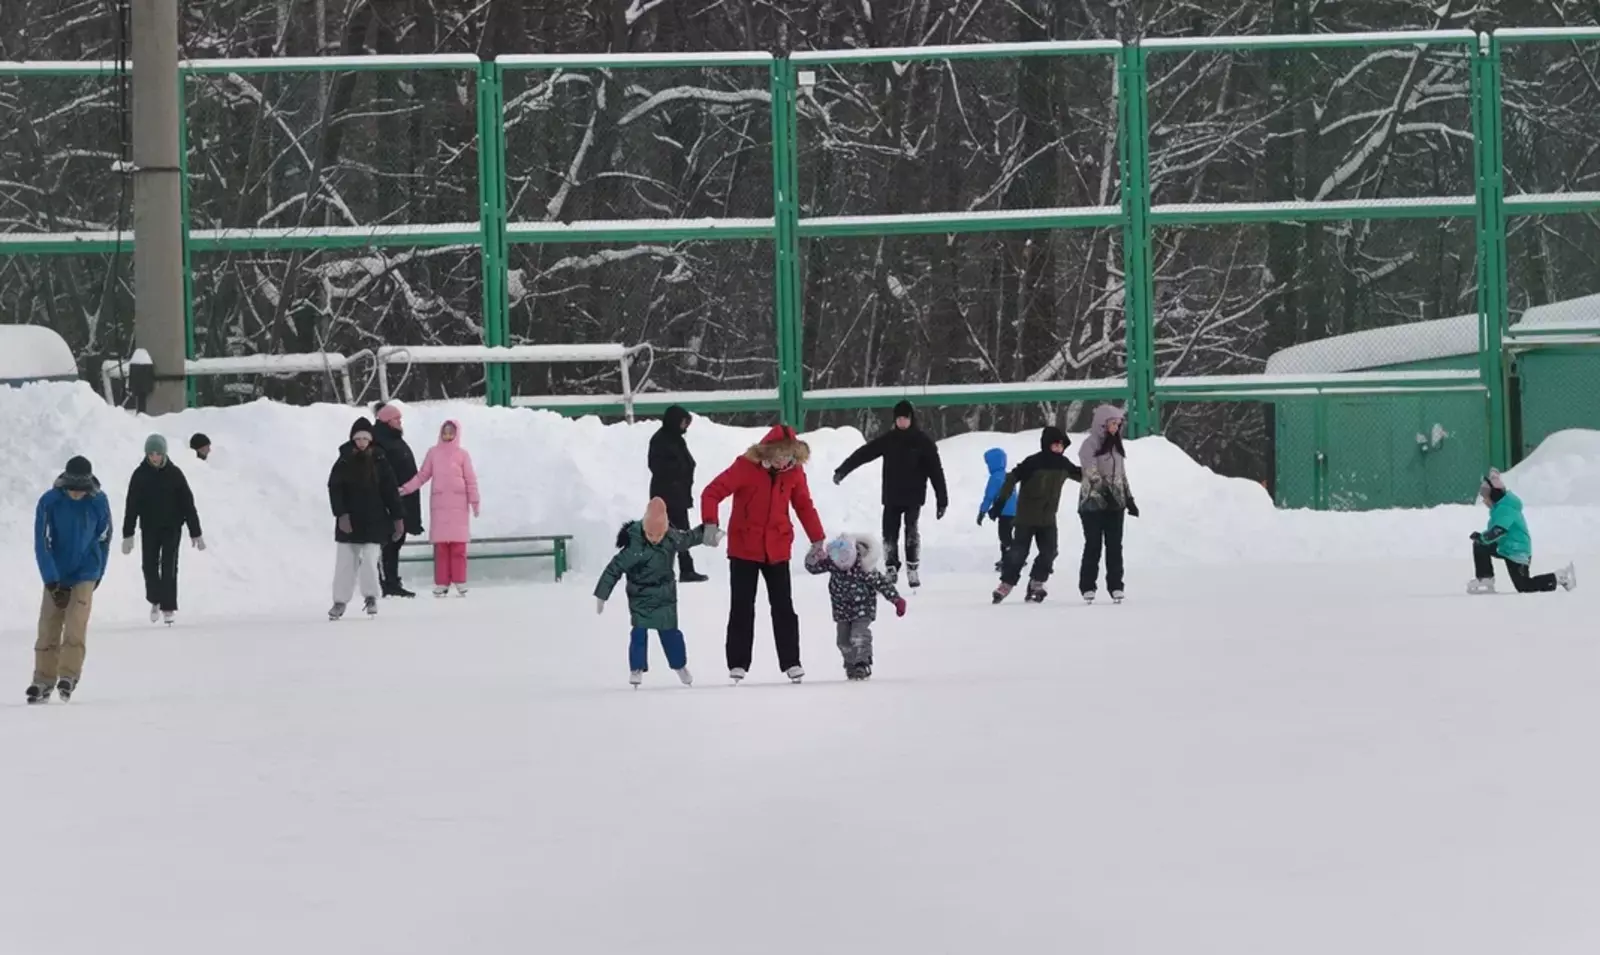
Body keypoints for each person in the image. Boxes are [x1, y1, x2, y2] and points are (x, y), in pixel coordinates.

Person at [701, 424, 826, 683]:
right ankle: (737, 663)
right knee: (742, 607)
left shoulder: (794, 473)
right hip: (744, 547)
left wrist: (817, 538)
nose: (783, 461)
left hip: (777, 548)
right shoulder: (745, 467)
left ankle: (792, 662)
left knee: (783, 607)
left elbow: (803, 505)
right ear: (767, 452)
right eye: (779, 455)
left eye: (788, 456)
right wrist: (710, 523)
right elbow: (712, 492)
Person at [595, 497, 710, 687]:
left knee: (671, 634)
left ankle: (680, 666)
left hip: (665, 594)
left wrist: (708, 531)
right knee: (639, 633)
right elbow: (613, 569)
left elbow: (689, 538)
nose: (655, 539)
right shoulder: (634, 545)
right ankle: (636, 668)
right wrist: (602, 594)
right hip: (640, 594)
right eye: (650, 534)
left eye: (659, 535)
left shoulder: (671, 538)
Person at [832, 400, 948, 587]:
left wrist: (942, 500)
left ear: (911, 419)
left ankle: (912, 568)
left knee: (911, 531)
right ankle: (891, 568)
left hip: (913, 496)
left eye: (905, 419)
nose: (901, 422)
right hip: (892, 495)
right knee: (889, 534)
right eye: (899, 419)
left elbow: (936, 471)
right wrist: (842, 470)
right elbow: (864, 453)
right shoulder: (889, 440)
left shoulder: (923, 442)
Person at [30, 455, 111, 703]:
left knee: (75, 624)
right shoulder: (49, 502)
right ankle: (42, 680)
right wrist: (52, 581)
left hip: (86, 571)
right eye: (72, 490)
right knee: (48, 627)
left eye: (81, 490)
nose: (76, 494)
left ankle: (68, 675)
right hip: (56, 571)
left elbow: (104, 539)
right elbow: (42, 543)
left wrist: (98, 574)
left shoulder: (99, 502)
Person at [988, 426, 1081, 603]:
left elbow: (1081, 475)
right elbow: (1012, 478)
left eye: (1062, 445)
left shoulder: (1063, 464)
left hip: (1047, 519)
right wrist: (1000, 503)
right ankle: (1006, 583)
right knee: (1018, 553)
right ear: (1047, 444)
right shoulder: (1033, 462)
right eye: (1055, 445)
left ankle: (1037, 582)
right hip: (1026, 517)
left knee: (1050, 551)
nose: (1059, 448)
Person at [120, 433, 205, 625]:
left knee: (169, 566)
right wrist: (128, 534)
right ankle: (155, 599)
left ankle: (168, 607)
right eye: (151, 453)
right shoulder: (140, 475)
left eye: (158, 453)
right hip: (149, 528)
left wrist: (195, 531)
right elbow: (131, 505)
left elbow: (188, 504)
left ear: (164, 454)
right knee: (149, 566)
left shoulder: (174, 474)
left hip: (171, 528)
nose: (155, 457)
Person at [327, 417, 405, 619]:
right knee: (345, 563)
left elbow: (390, 491)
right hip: (349, 522)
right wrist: (341, 514)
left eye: (365, 438)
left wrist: (398, 519)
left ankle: (371, 596)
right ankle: (339, 601)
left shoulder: (380, 460)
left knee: (370, 561)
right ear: (352, 439)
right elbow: (335, 488)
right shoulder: (344, 459)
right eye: (358, 438)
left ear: (371, 439)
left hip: (374, 520)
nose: (361, 442)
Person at [804, 533, 906, 681]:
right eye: (839, 561)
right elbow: (811, 568)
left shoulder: (864, 568)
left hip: (863, 608)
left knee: (859, 635)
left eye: (846, 559)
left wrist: (896, 600)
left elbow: (882, 584)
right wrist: (814, 553)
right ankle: (851, 664)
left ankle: (862, 664)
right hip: (841, 609)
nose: (843, 564)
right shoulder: (832, 563)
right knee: (843, 640)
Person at [399, 419, 481, 597]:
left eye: (451, 432)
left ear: (457, 433)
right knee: (441, 548)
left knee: (458, 548)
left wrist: (475, 501)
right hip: (439, 507)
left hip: (459, 507)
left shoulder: (462, 455)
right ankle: (442, 583)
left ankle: (460, 580)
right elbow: (423, 475)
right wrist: (406, 488)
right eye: (445, 432)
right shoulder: (433, 453)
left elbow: (471, 480)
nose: (448, 435)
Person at [1469, 469, 1575, 595]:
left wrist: (1483, 537)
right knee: (1480, 544)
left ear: (1494, 495)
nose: (1484, 501)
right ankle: (1485, 579)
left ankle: (1559, 577)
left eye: (1485, 497)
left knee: (1524, 586)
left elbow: (1499, 530)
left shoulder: (1506, 509)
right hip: (1505, 546)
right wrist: (1482, 538)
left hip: (1517, 551)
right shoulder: (1500, 507)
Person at [1076, 405, 1138, 604]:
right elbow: (1091, 473)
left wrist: (1129, 499)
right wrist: (1105, 493)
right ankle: (1087, 586)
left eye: (1118, 424)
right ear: (1102, 424)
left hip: (1115, 505)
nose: (1116, 427)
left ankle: (1116, 586)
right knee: (1093, 545)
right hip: (1092, 504)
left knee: (1114, 546)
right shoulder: (1089, 445)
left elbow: (1121, 475)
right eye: (1113, 423)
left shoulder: (1116, 446)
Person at [648, 404, 707, 583]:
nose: (685, 427)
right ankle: (666, 570)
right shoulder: (660, 440)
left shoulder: (676, 439)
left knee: (679, 532)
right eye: (682, 422)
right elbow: (657, 466)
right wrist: (677, 473)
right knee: (667, 533)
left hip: (678, 494)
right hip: (666, 495)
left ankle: (683, 568)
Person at [372, 401, 423, 597]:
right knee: (388, 543)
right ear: (386, 421)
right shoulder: (380, 441)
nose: (400, 422)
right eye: (396, 419)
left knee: (396, 541)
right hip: (390, 502)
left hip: (402, 500)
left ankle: (392, 580)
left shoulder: (393, 438)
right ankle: (386, 583)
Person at [977, 447, 1019, 572]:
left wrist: (982, 512)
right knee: (1007, 536)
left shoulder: (994, 478)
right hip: (1015, 512)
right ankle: (1008, 558)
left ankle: (1013, 560)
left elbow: (989, 497)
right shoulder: (1008, 476)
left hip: (1004, 513)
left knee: (1004, 537)